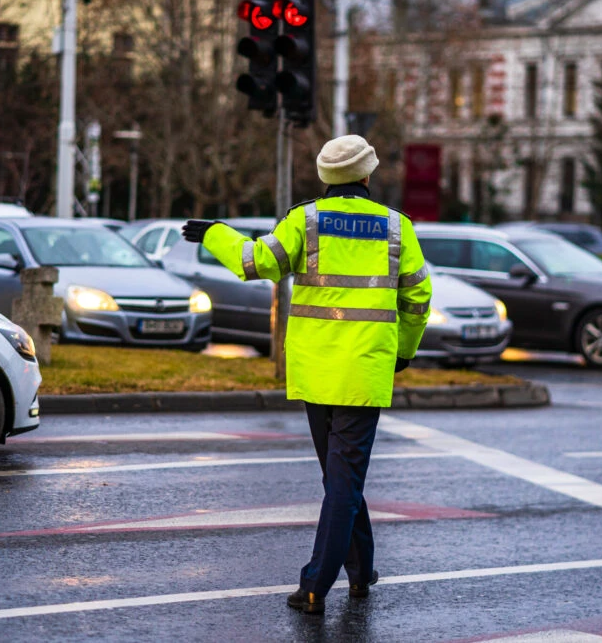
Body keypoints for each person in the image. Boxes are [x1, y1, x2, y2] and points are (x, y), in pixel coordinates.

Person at [180, 135, 432, 614]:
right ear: (367, 175)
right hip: (363, 372)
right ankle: (359, 573)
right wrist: (404, 350)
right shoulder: (397, 228)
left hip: (316, 370)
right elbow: (418, 299)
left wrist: (216, 232)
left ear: (325, 177)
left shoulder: (306, 220)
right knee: (344, 482)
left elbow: (255, 262)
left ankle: (317, 584)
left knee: (339, 481)